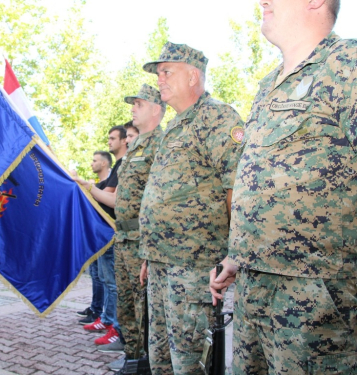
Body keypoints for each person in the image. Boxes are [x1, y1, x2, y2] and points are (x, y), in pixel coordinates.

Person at [210, 1, 357, 374]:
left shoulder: (347, 66)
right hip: (252, 291)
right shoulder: (268, 86)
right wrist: (236, 256)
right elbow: (258, 185)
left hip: (318, 302)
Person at [138, 42, 244, 374]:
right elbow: (162, 194)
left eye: (167, 71)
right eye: (158, 74)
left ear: (193, 76)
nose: (160, 80)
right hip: (160, 262)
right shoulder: (173, 127)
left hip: (193, 266)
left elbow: (237, 188)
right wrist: (149, 252)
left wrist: (234, 252)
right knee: (160, 357)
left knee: (189, 361)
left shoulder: (216, 117)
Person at [80, 84, 166, 372]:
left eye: (138, 104)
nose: (132, 109)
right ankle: (132, 355)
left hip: (142, 239)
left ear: (155, 108)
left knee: (144, 306)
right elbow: (119, 199)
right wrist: (88, 187)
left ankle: (145, 361)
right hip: (124, 235)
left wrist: (150, 248)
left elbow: (161, 201)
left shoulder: (162, 144)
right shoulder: (135, 149)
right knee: (127, 304)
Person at [82, 126, 127, 348]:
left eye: (113, 138)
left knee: (112, 283)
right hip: (107, 233)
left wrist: (86, 187)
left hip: (114, 232)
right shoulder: (120, 165)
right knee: (105, 280)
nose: (109, 141)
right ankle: (109, 322)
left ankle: (115, 327)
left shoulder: (123, 164)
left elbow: (110, 199)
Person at [77, 151, 112, 325]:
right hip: (96, 235)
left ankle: (104, 316)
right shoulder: (98, 184)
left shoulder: (108, 184)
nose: (91, 163)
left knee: (107, 281)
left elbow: (109, 201)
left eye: (94, 160)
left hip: (107, 236)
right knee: (98, 276)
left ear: (104, 164)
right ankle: (96, 309)